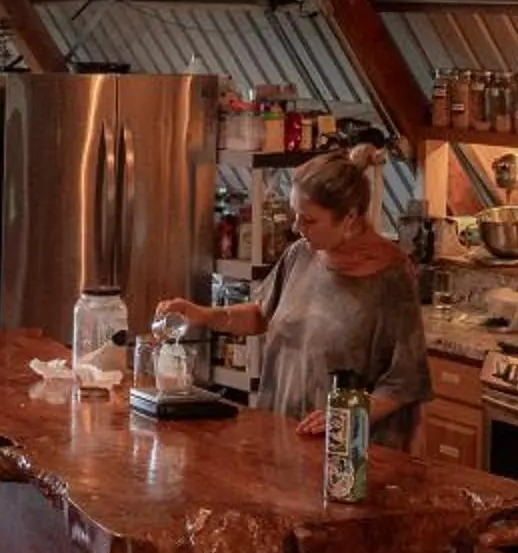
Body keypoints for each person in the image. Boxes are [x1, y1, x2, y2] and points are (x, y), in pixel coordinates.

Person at [158, 148, 427, 446]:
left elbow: (405, 381)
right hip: (284, 434)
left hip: (349, 449)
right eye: (295, 215)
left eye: (309, 220)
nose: (298, 228)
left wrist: (344, 415)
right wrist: (203, 315)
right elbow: (262, 314)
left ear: (349, 217)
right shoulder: (301, 254)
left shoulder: (392, 276)